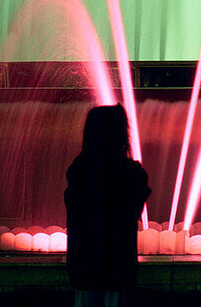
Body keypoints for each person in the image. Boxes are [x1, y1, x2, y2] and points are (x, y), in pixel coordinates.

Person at [64, 104, 150, 307]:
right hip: (118, 261)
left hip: (85, 261)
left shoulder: (79, 170)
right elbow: (134, 208)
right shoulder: (130, 173)